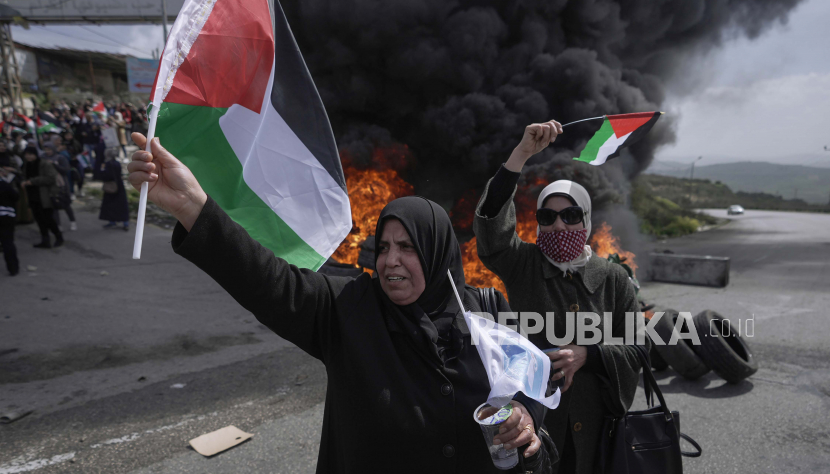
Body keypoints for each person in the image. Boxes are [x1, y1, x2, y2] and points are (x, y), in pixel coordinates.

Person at [127, 133, 555, 473]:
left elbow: (530, 383)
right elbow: (267, 280)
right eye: (384, 247)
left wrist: (527, 418)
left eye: (408, 248)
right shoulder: (348, 309)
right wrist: (192, 207)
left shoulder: (487, 311)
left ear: (438, 251)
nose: (391, 261)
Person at [473, 120, 645, 474]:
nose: (559, 226)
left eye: (570, 216)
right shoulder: (524, 264)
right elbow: (491, 233)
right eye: (548, 217)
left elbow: (639, 346)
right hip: (534, 424)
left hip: (598, 432)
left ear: (586, 220)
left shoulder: (614, 279)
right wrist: (520, 155)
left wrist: (590, 354)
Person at [21, 146, 64, 248]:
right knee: (39, 219)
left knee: (48, 219)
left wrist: (33, 181)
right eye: (26, 155)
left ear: (35, 154)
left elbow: (51, 178)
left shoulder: (43, 164)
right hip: (32, 196)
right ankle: (45, 240)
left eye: (30, 154)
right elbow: (23, 176)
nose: (28, 157)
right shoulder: (26, 164)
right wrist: (23, 181)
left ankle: (59, 237)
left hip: (44, 196)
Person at [43, 142, 76, 231]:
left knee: (66, 205)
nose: (47, 152)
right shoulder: (43, 158)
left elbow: (66, 170)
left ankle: (73, 222)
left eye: (49, 150)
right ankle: (58, 225)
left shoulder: (60, 158)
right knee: (54, 206)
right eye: (46, 150)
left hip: (61, 184)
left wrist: (54, 164)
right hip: (50, 185)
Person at [0, 142, 20, 275]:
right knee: (8, 242)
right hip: (7, 216)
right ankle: (13, 269)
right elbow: (15, 196)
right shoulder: (5, 185)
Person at [100, 148, 130, 231]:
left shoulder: (107, 164)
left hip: (111, 187)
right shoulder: (117, 163)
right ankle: (125, 223)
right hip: (119, 186)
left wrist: (102, 170)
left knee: (110, 205)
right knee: (121, 206)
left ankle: (112, 221)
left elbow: (106, 176)